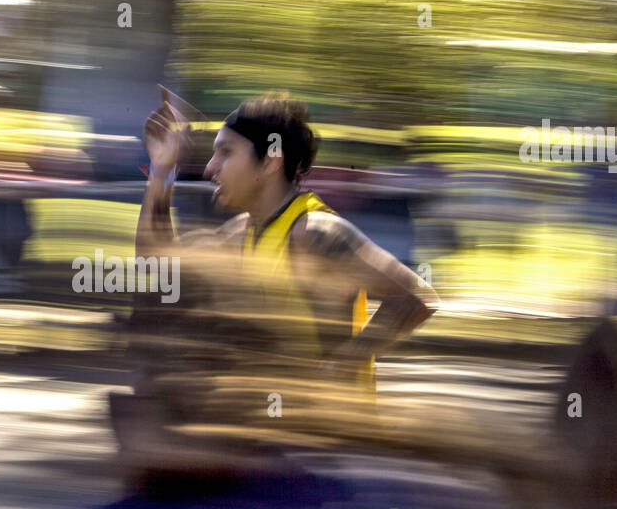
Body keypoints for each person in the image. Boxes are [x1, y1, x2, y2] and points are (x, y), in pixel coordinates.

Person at [135, 90, 438, 390]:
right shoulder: (240, 233)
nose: (209, 168)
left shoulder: (315, 234)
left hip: (326, 431)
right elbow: (157, 263)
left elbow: (416, 297)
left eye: (225, 153)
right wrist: (162, 170)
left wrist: (341, 365)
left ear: (270, 162)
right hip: (270, 421)